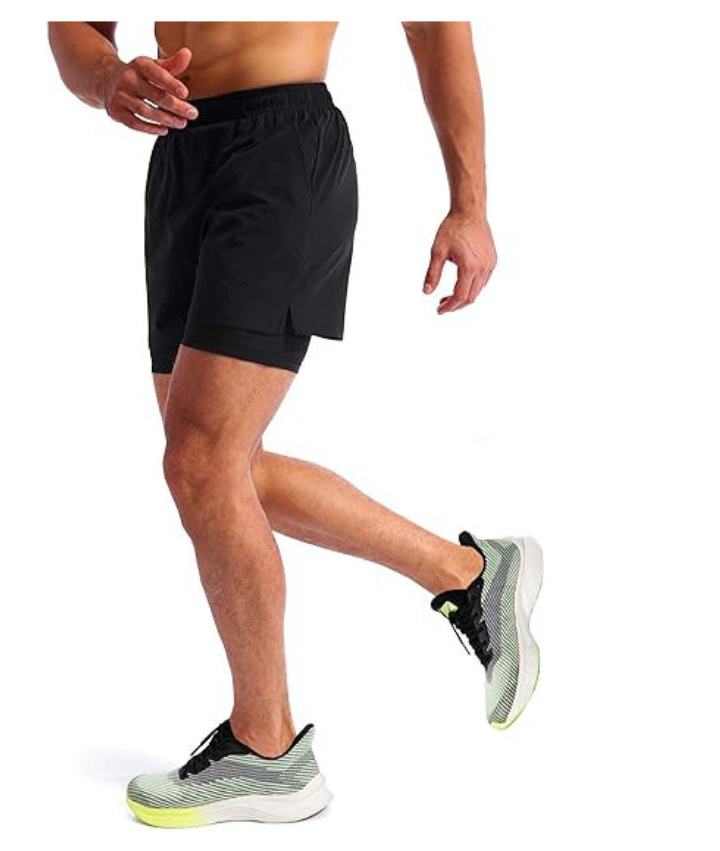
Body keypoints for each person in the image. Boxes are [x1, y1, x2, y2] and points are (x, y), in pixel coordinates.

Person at [49, 21, 543, 828]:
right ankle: (465, 574)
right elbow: (73, 27)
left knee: (202, 463)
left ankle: (267, 746)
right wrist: (107, 78)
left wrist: (469, 205)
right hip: (180, 157)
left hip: (280, 148)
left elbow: (433, 25)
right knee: (221, 470)